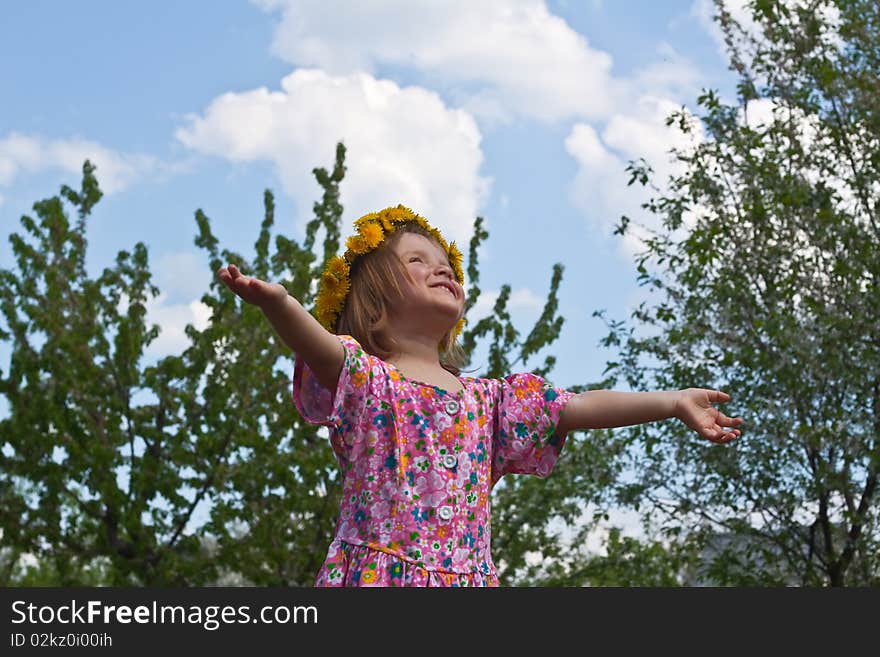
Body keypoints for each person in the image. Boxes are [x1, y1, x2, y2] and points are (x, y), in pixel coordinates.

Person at [216, 204, 743, 587]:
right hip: (382, 576)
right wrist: (279, 305)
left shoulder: (489, 402)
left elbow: (577, 407)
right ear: (373, 297)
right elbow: (320, 347)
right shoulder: (369, 382)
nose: (442, 267)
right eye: (417, 261)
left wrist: (671, 402)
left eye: (445, 262)